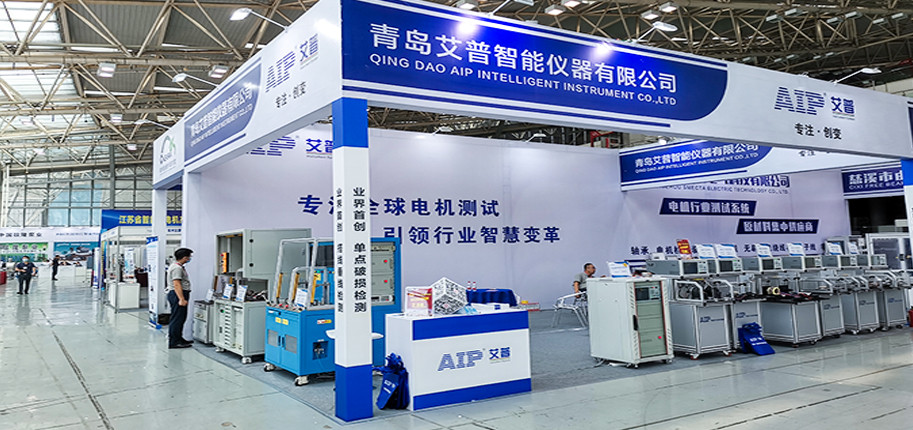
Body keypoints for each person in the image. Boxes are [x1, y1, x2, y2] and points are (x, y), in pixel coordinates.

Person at [167, 248, 194, 349]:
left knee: (181, 318)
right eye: (189, 257)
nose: (189, 258)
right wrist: (181, 299)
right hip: (177, 294)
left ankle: (179, 338)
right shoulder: (177, 268)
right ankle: (174, 342)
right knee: (177, 319)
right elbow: (177, 284)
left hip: (178, 294)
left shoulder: (178, 266)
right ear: (184, 257)